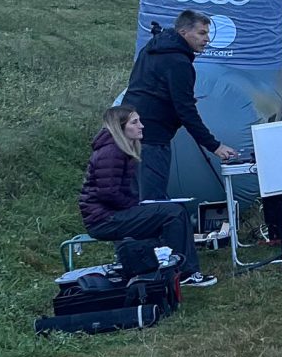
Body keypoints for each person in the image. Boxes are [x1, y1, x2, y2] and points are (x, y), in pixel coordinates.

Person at [79, 105, 215, 288]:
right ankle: (184, 273)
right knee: (173, 214)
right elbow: (108, 193)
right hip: (104, 220)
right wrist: (135, 205)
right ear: (121, 127)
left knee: (173, 212)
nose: (141, 126)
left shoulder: (117, 149)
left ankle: (167, 269)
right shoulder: (111, 152)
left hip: (109, 215)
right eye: (135, 122)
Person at [123, 12, 241, 204]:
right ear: (184, 32)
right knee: (151, 200)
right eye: (202, 33)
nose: (207, 39)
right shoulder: (179, 63)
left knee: (134, 195)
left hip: (127, 130)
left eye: (207, 33)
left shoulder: (152, 48)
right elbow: (186, 111)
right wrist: (215, 146)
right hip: (152, 138)